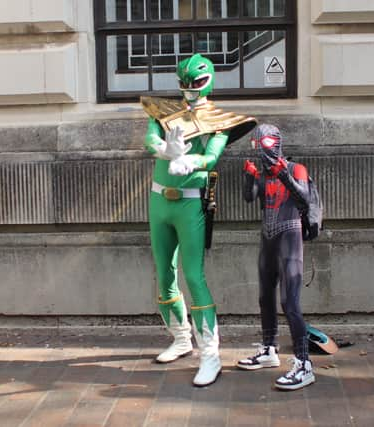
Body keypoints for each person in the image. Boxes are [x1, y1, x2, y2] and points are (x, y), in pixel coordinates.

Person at [141, 53, 256, 387]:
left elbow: (211, 155)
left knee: (193, 275)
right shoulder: (163, 113)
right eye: (184, 83)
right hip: (159, 200)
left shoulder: (219, 118)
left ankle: (210, 355)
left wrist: (189, 161)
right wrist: (166, 150)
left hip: (190, 204)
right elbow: (150, 139)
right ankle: (180, 338)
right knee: (164, 274)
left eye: (196, 83)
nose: (190, 90)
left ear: (208, 80)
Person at [236, 123, 315, 391]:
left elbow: (304, 200)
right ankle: (269, 349)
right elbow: (249, 197)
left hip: (289, 237)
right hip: (267, 239)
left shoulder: (296, 169)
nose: (262, 150)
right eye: (258, 145)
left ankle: (304, 364)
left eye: (267, 144)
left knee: (289, 302)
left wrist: (284, 175)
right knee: (264, 297)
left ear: (277, 143)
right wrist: (249, 177)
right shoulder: (263, 174)